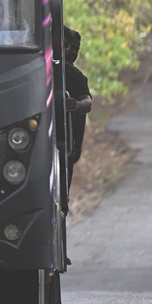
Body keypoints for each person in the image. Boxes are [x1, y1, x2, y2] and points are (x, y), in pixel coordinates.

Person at [64, 25, 92, 186]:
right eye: (68, 46)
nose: (72, 52)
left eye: (76, 48)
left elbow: (87, 103)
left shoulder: (76, 76)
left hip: (69, 146)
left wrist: (76, 105)